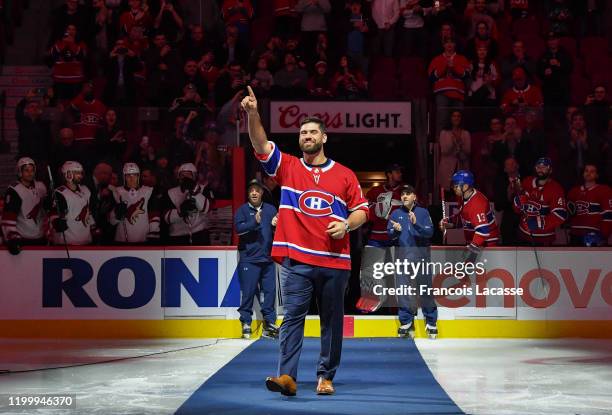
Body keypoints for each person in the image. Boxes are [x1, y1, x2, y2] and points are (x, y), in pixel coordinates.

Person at [241, 86, 368, 396]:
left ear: (324, 138)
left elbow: (363, 211)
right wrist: (253, 113)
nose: (307, 136)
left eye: (312, 132)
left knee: (331, 323)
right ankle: (287, 376)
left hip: (335, 262)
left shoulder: (345, 175)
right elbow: (259, 143)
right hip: (297, 262)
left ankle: (326, 376)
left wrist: (347, 224)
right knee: (292, 321)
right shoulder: (289, 167)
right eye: (303, 133)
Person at [387, 185, 437, 339]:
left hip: (421, 257)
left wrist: (416, 224)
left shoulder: (423, 212)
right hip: (402, 258)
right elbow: (390, 234)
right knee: (403, 290)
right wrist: (394, 230)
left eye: (408, 193)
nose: (404, 196)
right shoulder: (395, 214)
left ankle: (431, 322)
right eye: (402, 194)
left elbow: (430, 232)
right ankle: (406, 322)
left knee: (425, 290)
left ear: (414, 197)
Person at [234, 179, 279, 339]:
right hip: (249, 260)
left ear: (261, 193)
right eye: (251, 190)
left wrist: (275, 226)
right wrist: (254, 222)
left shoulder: (271, 209)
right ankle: (246, 322)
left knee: (269, 293)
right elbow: (238, 230)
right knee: (248, 293)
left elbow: (276, 232)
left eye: (257, 190)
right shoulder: (242, 210)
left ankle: (270, 324)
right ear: (248, 193)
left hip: (267, 260)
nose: (254, 192)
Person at [440, 170, 500, 257]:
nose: (453, 188)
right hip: (475, 241)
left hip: (486, 243)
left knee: (480, 268)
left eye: (456, 186)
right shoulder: (462, 197)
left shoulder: (477, 204)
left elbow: (483, 231)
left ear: (465, 186)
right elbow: (464, 219)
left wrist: (471, 248)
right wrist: (448, 222)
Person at [512, 157, 567, 245]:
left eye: (544, 167)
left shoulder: (556, 189)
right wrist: (517, 203)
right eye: (538, 167)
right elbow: (518, 209)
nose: (540, 169)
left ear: (550, 170)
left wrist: (539, 222)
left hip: (544, 238)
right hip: (523, 235)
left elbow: (560, 215)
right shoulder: (527, 181)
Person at [2, 158, 48, 254]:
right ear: (19, 171)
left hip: (41, 238)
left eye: (32, 170)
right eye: (26, 170)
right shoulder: (14, 190)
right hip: (23, 240)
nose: (30, 173)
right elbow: (8, 218)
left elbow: (47, 209)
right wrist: (12, 238)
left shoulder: (41, 187)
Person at [162, 163, 214, 245]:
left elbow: (206, 208)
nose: (185, 178)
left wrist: (194, 192)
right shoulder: (170, 193)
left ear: (194, 176)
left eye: (188, 175)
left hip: (199, 234)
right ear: (178, 177)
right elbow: (166, 218)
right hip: (177, 236)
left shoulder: (204, 189)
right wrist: (180, 211)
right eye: (182, 175)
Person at [110, 163, 160, 244]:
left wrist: (154, 234)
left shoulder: (148, 191)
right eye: (128, 176)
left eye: (135, 175)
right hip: (121, 240)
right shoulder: (116, 192)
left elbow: (154, 214)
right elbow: (111, 221)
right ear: (124, 177)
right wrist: (116, 214)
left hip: (143, 239)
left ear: (138, 176)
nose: (132, 178)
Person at [50, 161, 96, 245]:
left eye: (80, 173)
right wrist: (56, 221)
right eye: (77, 173)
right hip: (68, 242)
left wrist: (93, 227)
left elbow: (88, 211)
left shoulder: (86, 190)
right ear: (68, 174)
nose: (80, 176)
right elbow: (54, 214)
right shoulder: (60, 193)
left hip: (86, 241)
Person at [566, 164, 612, 246]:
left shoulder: (605, 190)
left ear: (597, 175)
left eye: (592, 171)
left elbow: (608, 215)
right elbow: (567, 213)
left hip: (595, 234)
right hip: (575, 234)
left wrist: (603, 235)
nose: (588, 173)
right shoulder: (573, 191)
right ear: (583, 173)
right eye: (586, 171)